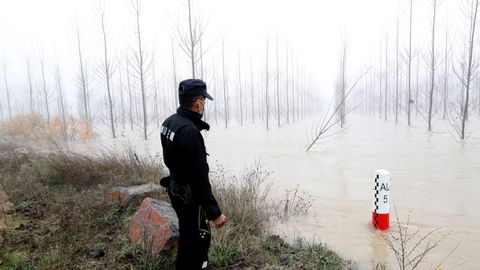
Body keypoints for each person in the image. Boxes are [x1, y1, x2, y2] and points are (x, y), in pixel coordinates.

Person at [160, 78, 226, 269]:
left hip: (175, 190)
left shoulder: (169, 122)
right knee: (199, 241)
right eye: (204, 100)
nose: (204, 104)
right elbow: (199, 179)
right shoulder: (189, 132)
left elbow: (172, 161)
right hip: (189, 198)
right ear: (198, 102)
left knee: (187, 237)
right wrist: (215, 213)